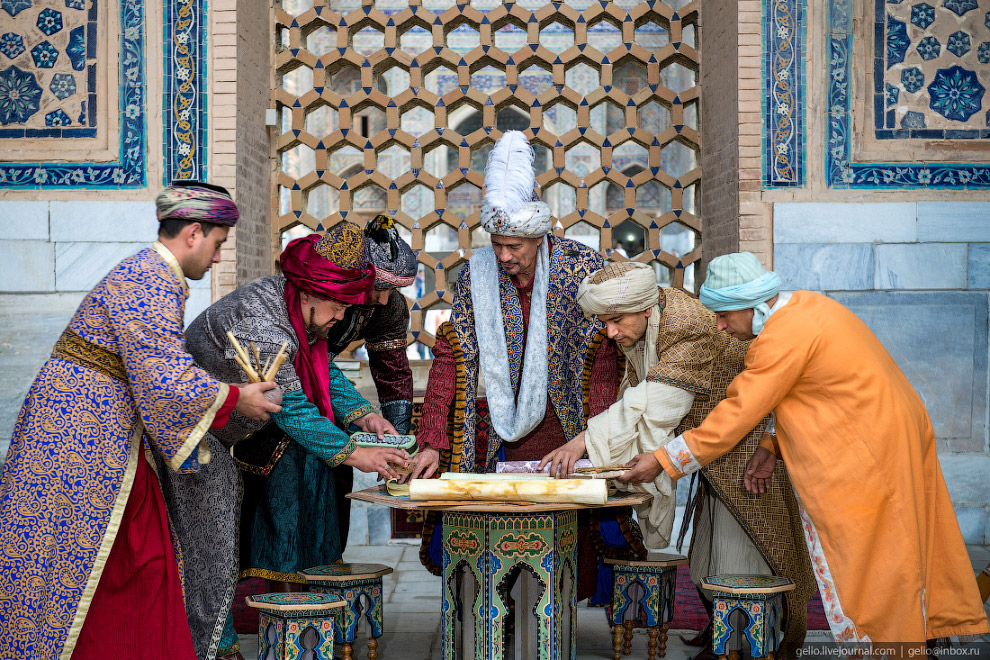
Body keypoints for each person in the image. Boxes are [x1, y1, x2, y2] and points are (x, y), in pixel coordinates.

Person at [619, 252, 990, 645]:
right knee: (902, 539)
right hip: (893, 426)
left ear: (753, 306)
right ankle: (918, 634)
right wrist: (770, 446)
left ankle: (895, 643)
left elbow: (738, 414)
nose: (721, 326)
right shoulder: (806, 306)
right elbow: (812, 391)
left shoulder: (781, 338)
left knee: (871, 550)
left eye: (725, 315)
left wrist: (663, 460)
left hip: (870, 441)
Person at [0, 182, 281, 660]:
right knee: (116, 558)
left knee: (132, 557)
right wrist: (237, 398)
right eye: (217, 243)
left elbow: (159, 369)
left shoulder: (151, 274)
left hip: (100, 431)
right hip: (81, 436)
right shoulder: (150, 279)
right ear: (194, 233)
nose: (217, 257)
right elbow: (166, 378)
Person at [402, 130, 645, 601]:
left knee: (565, 542)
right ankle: (501, 618)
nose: (504, 256)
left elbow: (605, 355)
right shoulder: (477, 275)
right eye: (497, 244)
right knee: (501, 543)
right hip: (500, 433)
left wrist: (595, 440)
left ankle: (555, 621)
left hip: (570, 429)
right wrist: (431, 440)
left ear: (539, 237)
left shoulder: (580, 268)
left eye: (513, 246)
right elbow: (452, 355)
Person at [541, 261, 814, 658]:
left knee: (742, 551)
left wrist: (583, 442)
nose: (610, 332)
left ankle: (745, 645)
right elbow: (636, 390)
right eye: (604, 322)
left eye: (615, 321)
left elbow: (655, 398)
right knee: (707, 559)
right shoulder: (649, 321)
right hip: (712, 446)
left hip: (747, 448)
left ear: (644, 309)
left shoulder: (685, 324)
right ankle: (726, 634)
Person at [174, 222, 410, 660]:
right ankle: (217, 649)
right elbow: (293, 406)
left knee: (219, 539)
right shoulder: (262, 323)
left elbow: (318, 369)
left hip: (220, 434)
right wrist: (357, 454)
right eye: (338, 307)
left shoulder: (297, 313)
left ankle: (227, 645)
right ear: (309, 293)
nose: (341, 319)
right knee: (210, 545)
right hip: (185, 434)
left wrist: (364, 414)